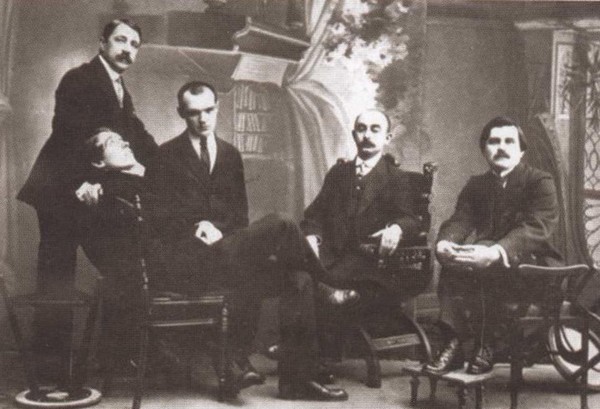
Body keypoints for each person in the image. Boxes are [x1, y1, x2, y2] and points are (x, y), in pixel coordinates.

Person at [144, 81, 353, 400]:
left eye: (209, 110)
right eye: (194, 113)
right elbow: (156, 219)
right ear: (181, 113)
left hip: (227, 253)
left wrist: (218, 229)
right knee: (282, 223)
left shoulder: (230, 154)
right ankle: (325, 283)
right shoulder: (165, 156)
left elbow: (239, 218)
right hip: (188, 263)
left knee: (297, 277)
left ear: (217, 108)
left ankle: (297, 380)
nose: (203, 119)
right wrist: (195, 227)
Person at [17, 18, 157, 360]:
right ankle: (50, 366)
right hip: (60, 190)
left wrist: (166, 164)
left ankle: (113, 358)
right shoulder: (79, 79)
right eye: (120, 40)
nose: (127, 49)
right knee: (57, 279)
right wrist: (79, 182)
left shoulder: (120, 90)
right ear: (102, 43)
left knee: (121, 265)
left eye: (134, 45)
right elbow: (67, 135)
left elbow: (138, 136)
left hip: (92, 192)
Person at [424, 116, 562, 376]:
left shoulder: (539, 181)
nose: (501, 147)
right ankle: (453, 342)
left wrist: (496, 251)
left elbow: (535, 228)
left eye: (509, 141)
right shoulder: (477, 185)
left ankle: (487, 344)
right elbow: (461, 220)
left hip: (535, 267)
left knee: (483, 254)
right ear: (484, 150)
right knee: (454, 260)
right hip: (488, 262)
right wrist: (446, 243)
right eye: (494, 142)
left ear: (521, 150)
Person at [301, 109, 427, 300]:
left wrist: (396, 229)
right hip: (328, 257)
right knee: (292, 269)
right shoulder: (338, 173)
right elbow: (314, 215)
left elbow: (410, 219)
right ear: (354, 135)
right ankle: (329, 292)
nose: (367, 135)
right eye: (361, 129)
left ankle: (330, 292)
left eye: (375, 129)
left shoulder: (396, 178)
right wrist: (312, 237)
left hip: (367, 262)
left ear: (387, 138)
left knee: (304, 281)